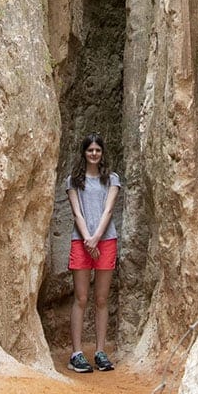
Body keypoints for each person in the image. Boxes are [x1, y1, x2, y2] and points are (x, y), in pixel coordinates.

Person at [65, 133, 121, 373]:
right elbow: (77, 212)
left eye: (98, 150)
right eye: (90, 150)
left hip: (105, 240)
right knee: (81, 298)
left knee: (101, 299)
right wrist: (88, 239)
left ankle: (100, 351)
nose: (94, 154)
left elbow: (108, 211)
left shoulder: (112, 179)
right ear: (84, 153)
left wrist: (96, 237)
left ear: (103, 153)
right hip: (82, 240)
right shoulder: (74, 180)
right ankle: (77, 353)